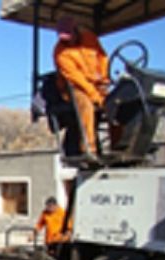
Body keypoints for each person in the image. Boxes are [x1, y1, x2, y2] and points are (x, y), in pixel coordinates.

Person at [53, 15, 109, 158]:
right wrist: (96, 96)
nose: (67, 40)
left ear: (76, 30)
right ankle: (89, 149)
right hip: (74, 88)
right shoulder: (60, 53)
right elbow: (77, 79)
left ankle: (121, 146)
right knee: (86, 105)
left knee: (118, 101)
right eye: (64, 38)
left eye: (69, 36)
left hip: (97, 83)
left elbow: (103, 57)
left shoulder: (90, 38)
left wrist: (104, 80)